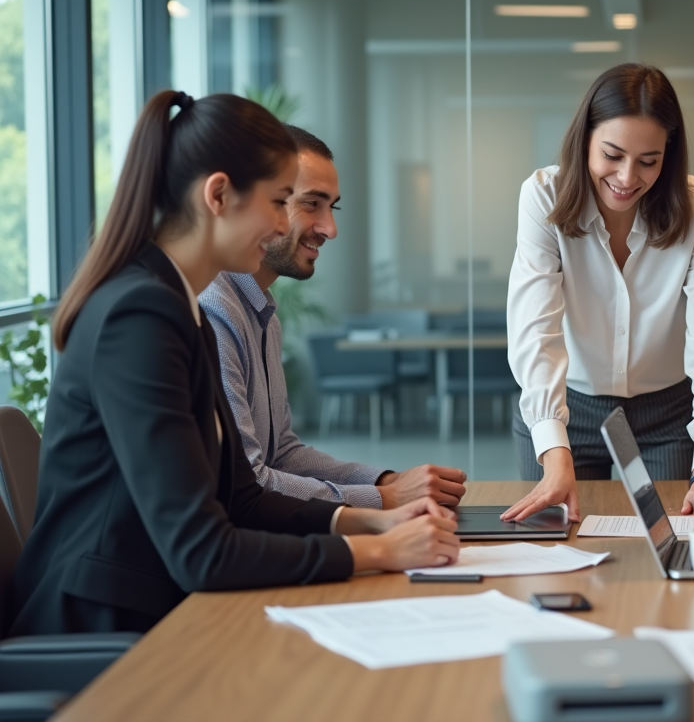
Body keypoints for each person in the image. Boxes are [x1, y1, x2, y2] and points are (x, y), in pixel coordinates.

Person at [10, 92, 459, 636]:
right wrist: (376, 550)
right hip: (104, 631)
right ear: (218, 195)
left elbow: (240, 497)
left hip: (155, 610)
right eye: (280, 202)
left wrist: (370, 519)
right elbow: (202, 551)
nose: (282, 226)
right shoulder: (142, 314)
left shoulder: (176, 303)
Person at [502, 63, 694, 523]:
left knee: (674, 539)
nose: (627, 177)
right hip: (565, 407)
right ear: (585, 141)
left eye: (648, 161)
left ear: (668, 156)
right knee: (560, 547)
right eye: (612, 155)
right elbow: (535, 329)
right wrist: (555, 448)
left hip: (668, 415)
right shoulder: (543, 197)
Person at [199, 125, 467, 509]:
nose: (331, 228)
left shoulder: (264, 316)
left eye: (332, 207)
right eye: (311, 204)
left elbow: (283, 453)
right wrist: (384, 498)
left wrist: (387, 480)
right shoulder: (214, 309)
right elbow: (250, 481)